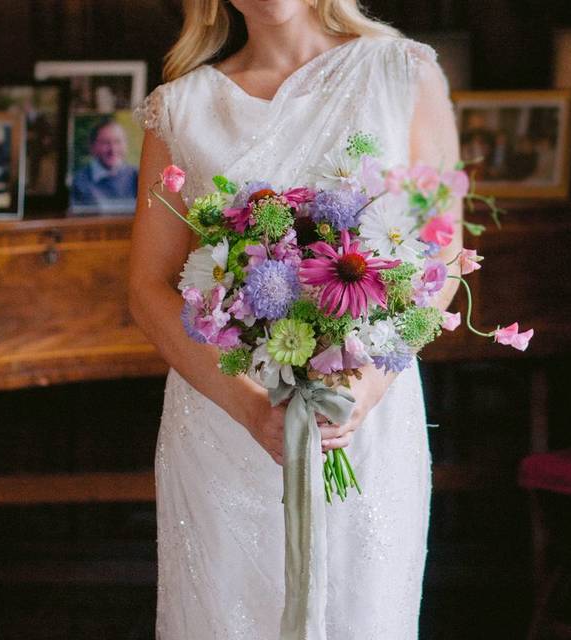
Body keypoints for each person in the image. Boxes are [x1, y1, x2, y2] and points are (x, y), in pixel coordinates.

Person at [128, 1, 462, 637]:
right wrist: (252, 407)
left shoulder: (404, 75)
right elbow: (147, 287)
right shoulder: (179, 107)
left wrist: (365, 391)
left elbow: (443, 250)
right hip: (224, 423)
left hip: (364, 418)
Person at [71, 118, 138, 208]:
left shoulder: (138, 176)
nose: (113, 150)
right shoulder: (79, 182)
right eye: (105, 143)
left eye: (117, 142)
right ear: (92, 147)